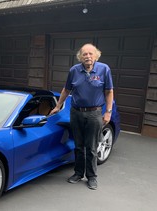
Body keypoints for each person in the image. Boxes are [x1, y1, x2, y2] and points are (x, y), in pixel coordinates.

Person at [50, 43, 114, 190]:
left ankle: (92, 177)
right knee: (78, 146)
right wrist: (58, 105)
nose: (88, 56)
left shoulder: (104, 69)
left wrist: (108, 111)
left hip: (94, 113)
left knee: (91, 147)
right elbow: (66, 89)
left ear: (96, 55)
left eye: (90, 53)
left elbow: (109, 91)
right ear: (80, 57)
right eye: (84, 54)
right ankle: (78, 173)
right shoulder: (74, 70)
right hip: (76, 112)